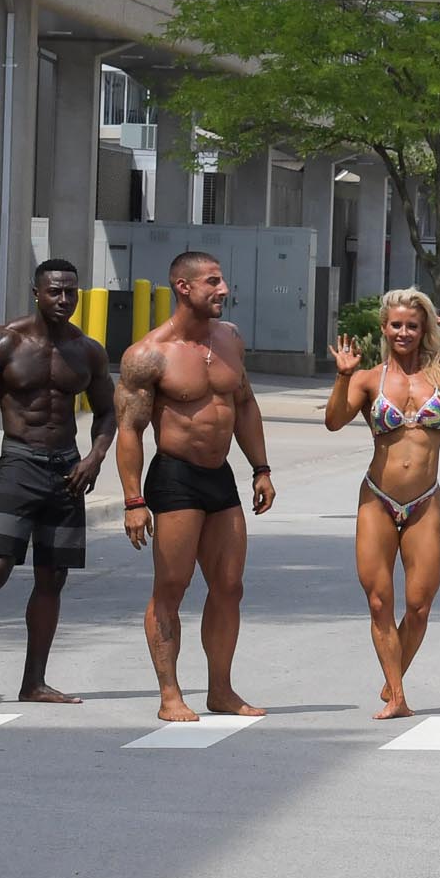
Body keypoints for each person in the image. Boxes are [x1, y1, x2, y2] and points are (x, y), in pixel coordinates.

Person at [0, 258, 117, 705]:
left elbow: (108, 410)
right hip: (19, 463)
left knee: (53, 576)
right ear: (36, 293)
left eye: (71, 292)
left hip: (67, 471)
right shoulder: (2, 342)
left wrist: (95, 457)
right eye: (55, 291)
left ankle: (34, 680)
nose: (64, 300)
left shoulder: (87, 350)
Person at [115, 251, 275, 723]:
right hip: (175, 477)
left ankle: (221, 690)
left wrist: (261, 468)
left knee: (229, 586)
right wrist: (133, 500)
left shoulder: (230, 339)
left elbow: (244, 403)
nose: (223, 289)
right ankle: (170, 694)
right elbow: (129, 430)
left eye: (222, 280)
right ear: (183, 287)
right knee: (171, 586)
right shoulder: (148, 355)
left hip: (219, 475)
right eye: (212, 281)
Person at [325, 289, 440, 720]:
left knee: (419, 605)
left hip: (424, 502)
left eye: (412, 326)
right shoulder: (368, 379)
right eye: (396, 325)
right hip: (377, 499)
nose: (403, 332)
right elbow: (333, 421)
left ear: (424, 330)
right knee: (379, 602)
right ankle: (397, 696)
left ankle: (392, 674)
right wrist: (343, 376)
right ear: (384, 328)